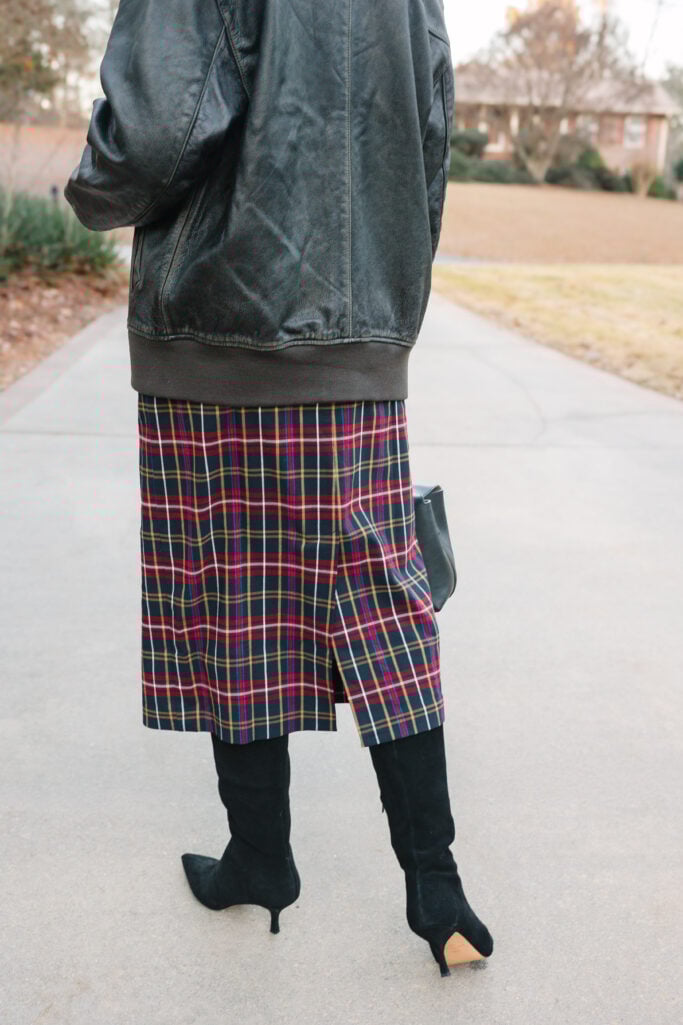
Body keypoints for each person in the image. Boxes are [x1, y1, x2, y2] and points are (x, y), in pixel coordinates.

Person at [64, 0, 493, 976]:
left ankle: (261, 854)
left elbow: (154, 129)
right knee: (386, 601)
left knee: (232, 595)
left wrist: (89, 191)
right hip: (361, 334)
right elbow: (431, 128)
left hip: (222, 317)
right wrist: (388, 297)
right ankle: (438, 887)